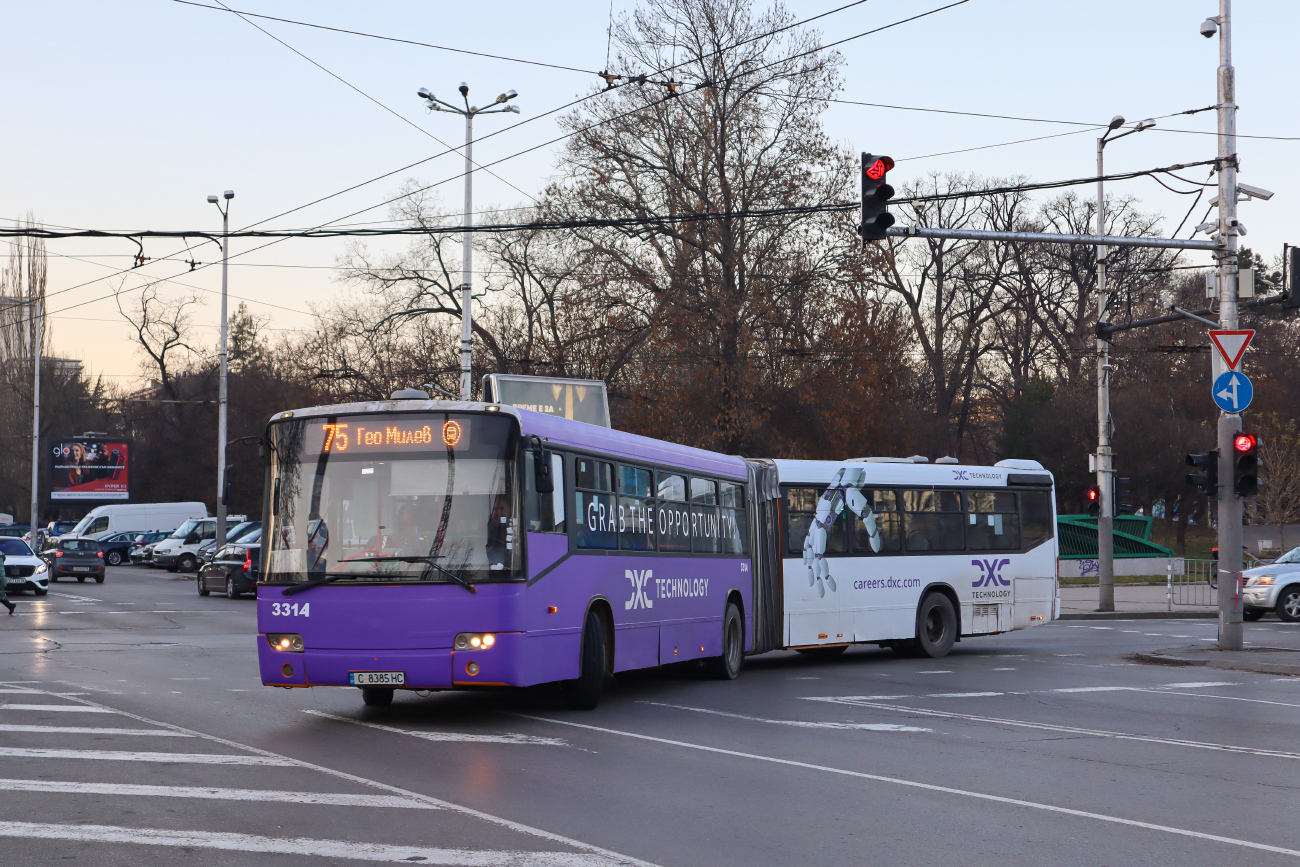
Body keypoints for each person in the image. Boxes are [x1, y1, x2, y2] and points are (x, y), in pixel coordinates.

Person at [0, 546, 14, 615]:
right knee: (1, 595)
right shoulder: (1, 555)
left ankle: (10, 606)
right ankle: (10, 606)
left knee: (1, 595)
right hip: (1, 578)